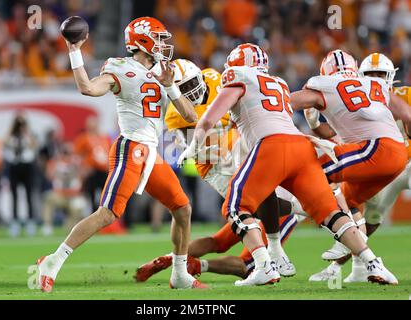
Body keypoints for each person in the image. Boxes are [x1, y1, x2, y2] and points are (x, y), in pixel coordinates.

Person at [179, 43, 397, 286]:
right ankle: (373, 263)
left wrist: (192, 145)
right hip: (301, 149)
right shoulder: (279, 83)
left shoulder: (237, 76)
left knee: (235, 207)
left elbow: (209, 118)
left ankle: (264, 267)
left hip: (273, 146)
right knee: (330, 213)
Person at [36, 17, 206, 293]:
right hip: (131, 148)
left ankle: (180, 274)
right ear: (142, 40)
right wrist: (74, 50)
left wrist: (170, 86)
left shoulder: (165, 71)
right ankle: (52, 261)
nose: (164, 44)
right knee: (108, 214)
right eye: (159, 38)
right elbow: (87, 88)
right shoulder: (120, 67)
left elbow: (190, 116)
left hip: (150, 153)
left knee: (182, 208)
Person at [135, 59, 302, 282]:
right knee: (245, 210)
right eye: (182, 88)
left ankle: (176, 260)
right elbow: (196, 140)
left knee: (239, 217)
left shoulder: (214, 78)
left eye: (192, 83)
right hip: (213, 162)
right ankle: (299, 217)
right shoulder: (175, 112)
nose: (190, 90)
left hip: (236, 147)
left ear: (200, 75)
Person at [291, 49, 410, 285]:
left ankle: (329, 224)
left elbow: (284, 102)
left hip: (376, 150)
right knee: (352, 201)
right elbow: (407, 114)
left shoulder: (323, 87)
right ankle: (367, 261)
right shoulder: (375, 87)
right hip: (395, 154)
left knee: (310, 174)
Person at [3, 113, 38, 237]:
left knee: (29, 194)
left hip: (27, 166)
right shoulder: (11, 136)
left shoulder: (28, 135)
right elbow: (4, 142)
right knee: (14, 195)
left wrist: (26, 131)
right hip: (14, 165)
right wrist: (13, 127)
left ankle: (30, 222)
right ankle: (15, 222)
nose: (20, 127)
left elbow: (34, 145)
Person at [41, 143, 85, 236]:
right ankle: (47, 225)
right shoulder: (56, 163)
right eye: (65, 153)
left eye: (68, 153)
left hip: (73, 196)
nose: (67, 156)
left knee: (79, 206)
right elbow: (49, 175)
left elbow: (82, 176)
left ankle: (70, 229)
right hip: (60, 195)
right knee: (48, 198)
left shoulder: (76, 164)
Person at [73, 116, 111, 210]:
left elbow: (109, 153)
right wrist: (83, 168)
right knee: (91, 196)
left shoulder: (104, 138)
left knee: (106, 195)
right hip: (91, 171)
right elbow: (76, 156)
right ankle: (91, 216)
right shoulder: (83, 138)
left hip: (104, 171)